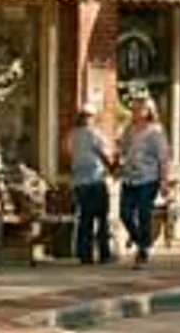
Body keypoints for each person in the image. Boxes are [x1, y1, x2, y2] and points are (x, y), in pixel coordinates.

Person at [118, 99, 173, 268]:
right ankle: (140, 240)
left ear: (149, 111)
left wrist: (164, 181)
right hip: (129, 178)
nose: (136, 112)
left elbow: (163, 159)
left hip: (148, 179)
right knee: (125, 213)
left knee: (143, 213)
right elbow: (123, 150)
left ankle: (143, 250)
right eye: (134, 109)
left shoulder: (155, 132)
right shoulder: (129, 129)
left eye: (140, 109)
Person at [66, 109, 115, 265]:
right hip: (95, 181)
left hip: (79, 182)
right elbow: (103, 154)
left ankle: (84, 254)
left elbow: (68, 155)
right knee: (101, 218)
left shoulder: (72, 136)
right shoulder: (95, 134)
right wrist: (112, 168)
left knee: (85, 219)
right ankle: (104, 254)